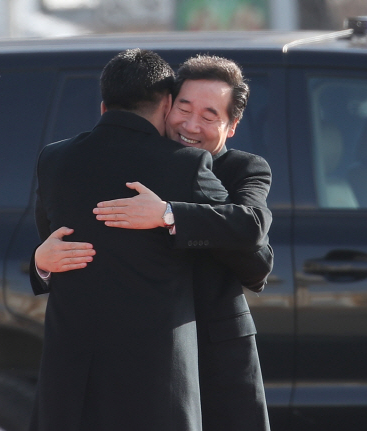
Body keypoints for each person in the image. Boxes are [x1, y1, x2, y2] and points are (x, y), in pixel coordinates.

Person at [30, 49, 265, 431]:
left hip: (209, 352)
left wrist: (169, 214)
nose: (191, 124)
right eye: (184, 109)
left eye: (209, 115)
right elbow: (58, 241)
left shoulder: (243, 169)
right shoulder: (182, 164)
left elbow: (257, 255)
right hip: (159, 363)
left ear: (231, 125)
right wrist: (41, 261)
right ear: (168, 103)